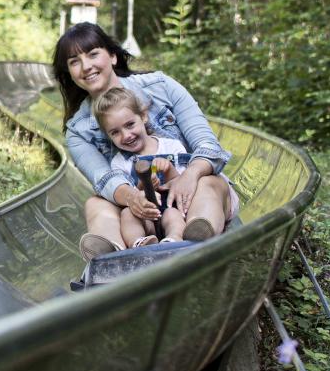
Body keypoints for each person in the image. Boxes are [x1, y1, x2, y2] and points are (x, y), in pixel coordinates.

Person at [51, 22, 236, 260]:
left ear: (113, 57)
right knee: (96, 204)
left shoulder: (161, 87)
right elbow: (104, 179)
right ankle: (112, 257)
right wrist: (133, 198)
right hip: (142, 215)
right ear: (69, 72)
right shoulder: (78, 131)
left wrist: (188, 176)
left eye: (93, 54)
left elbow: (208, 146)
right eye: (74, 61)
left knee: (208, 182)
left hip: (190, 196)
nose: (86, 66)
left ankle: (197, 239)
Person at [93, 86, 239, 249]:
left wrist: (169, 170)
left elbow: (183, 182)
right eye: (115, 132)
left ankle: (175, 239)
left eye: (130, 125)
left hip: (174, 207)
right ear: (108, 136)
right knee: (128, 214)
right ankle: (138, 243)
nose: (126, 135)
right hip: (146, 214)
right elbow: (130, 194)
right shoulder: (119, 162)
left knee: (172, 215)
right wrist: (142, 187)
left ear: (143, 116)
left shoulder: (171, 146)